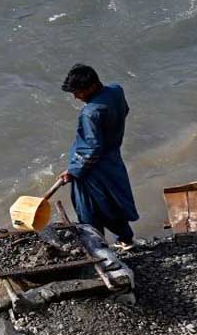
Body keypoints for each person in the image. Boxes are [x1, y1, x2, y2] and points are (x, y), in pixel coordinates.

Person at [58, 63, 139, 250]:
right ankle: (125, 239)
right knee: (114, 200)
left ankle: (97, 246)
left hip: (93, 169)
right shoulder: (116, 91)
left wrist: (74, 171)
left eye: (78, 92)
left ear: (92, 86)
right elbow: (125, 110)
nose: (75, 96)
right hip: (112, 157)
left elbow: (92, 148)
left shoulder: (90, 113)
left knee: (89, 208)